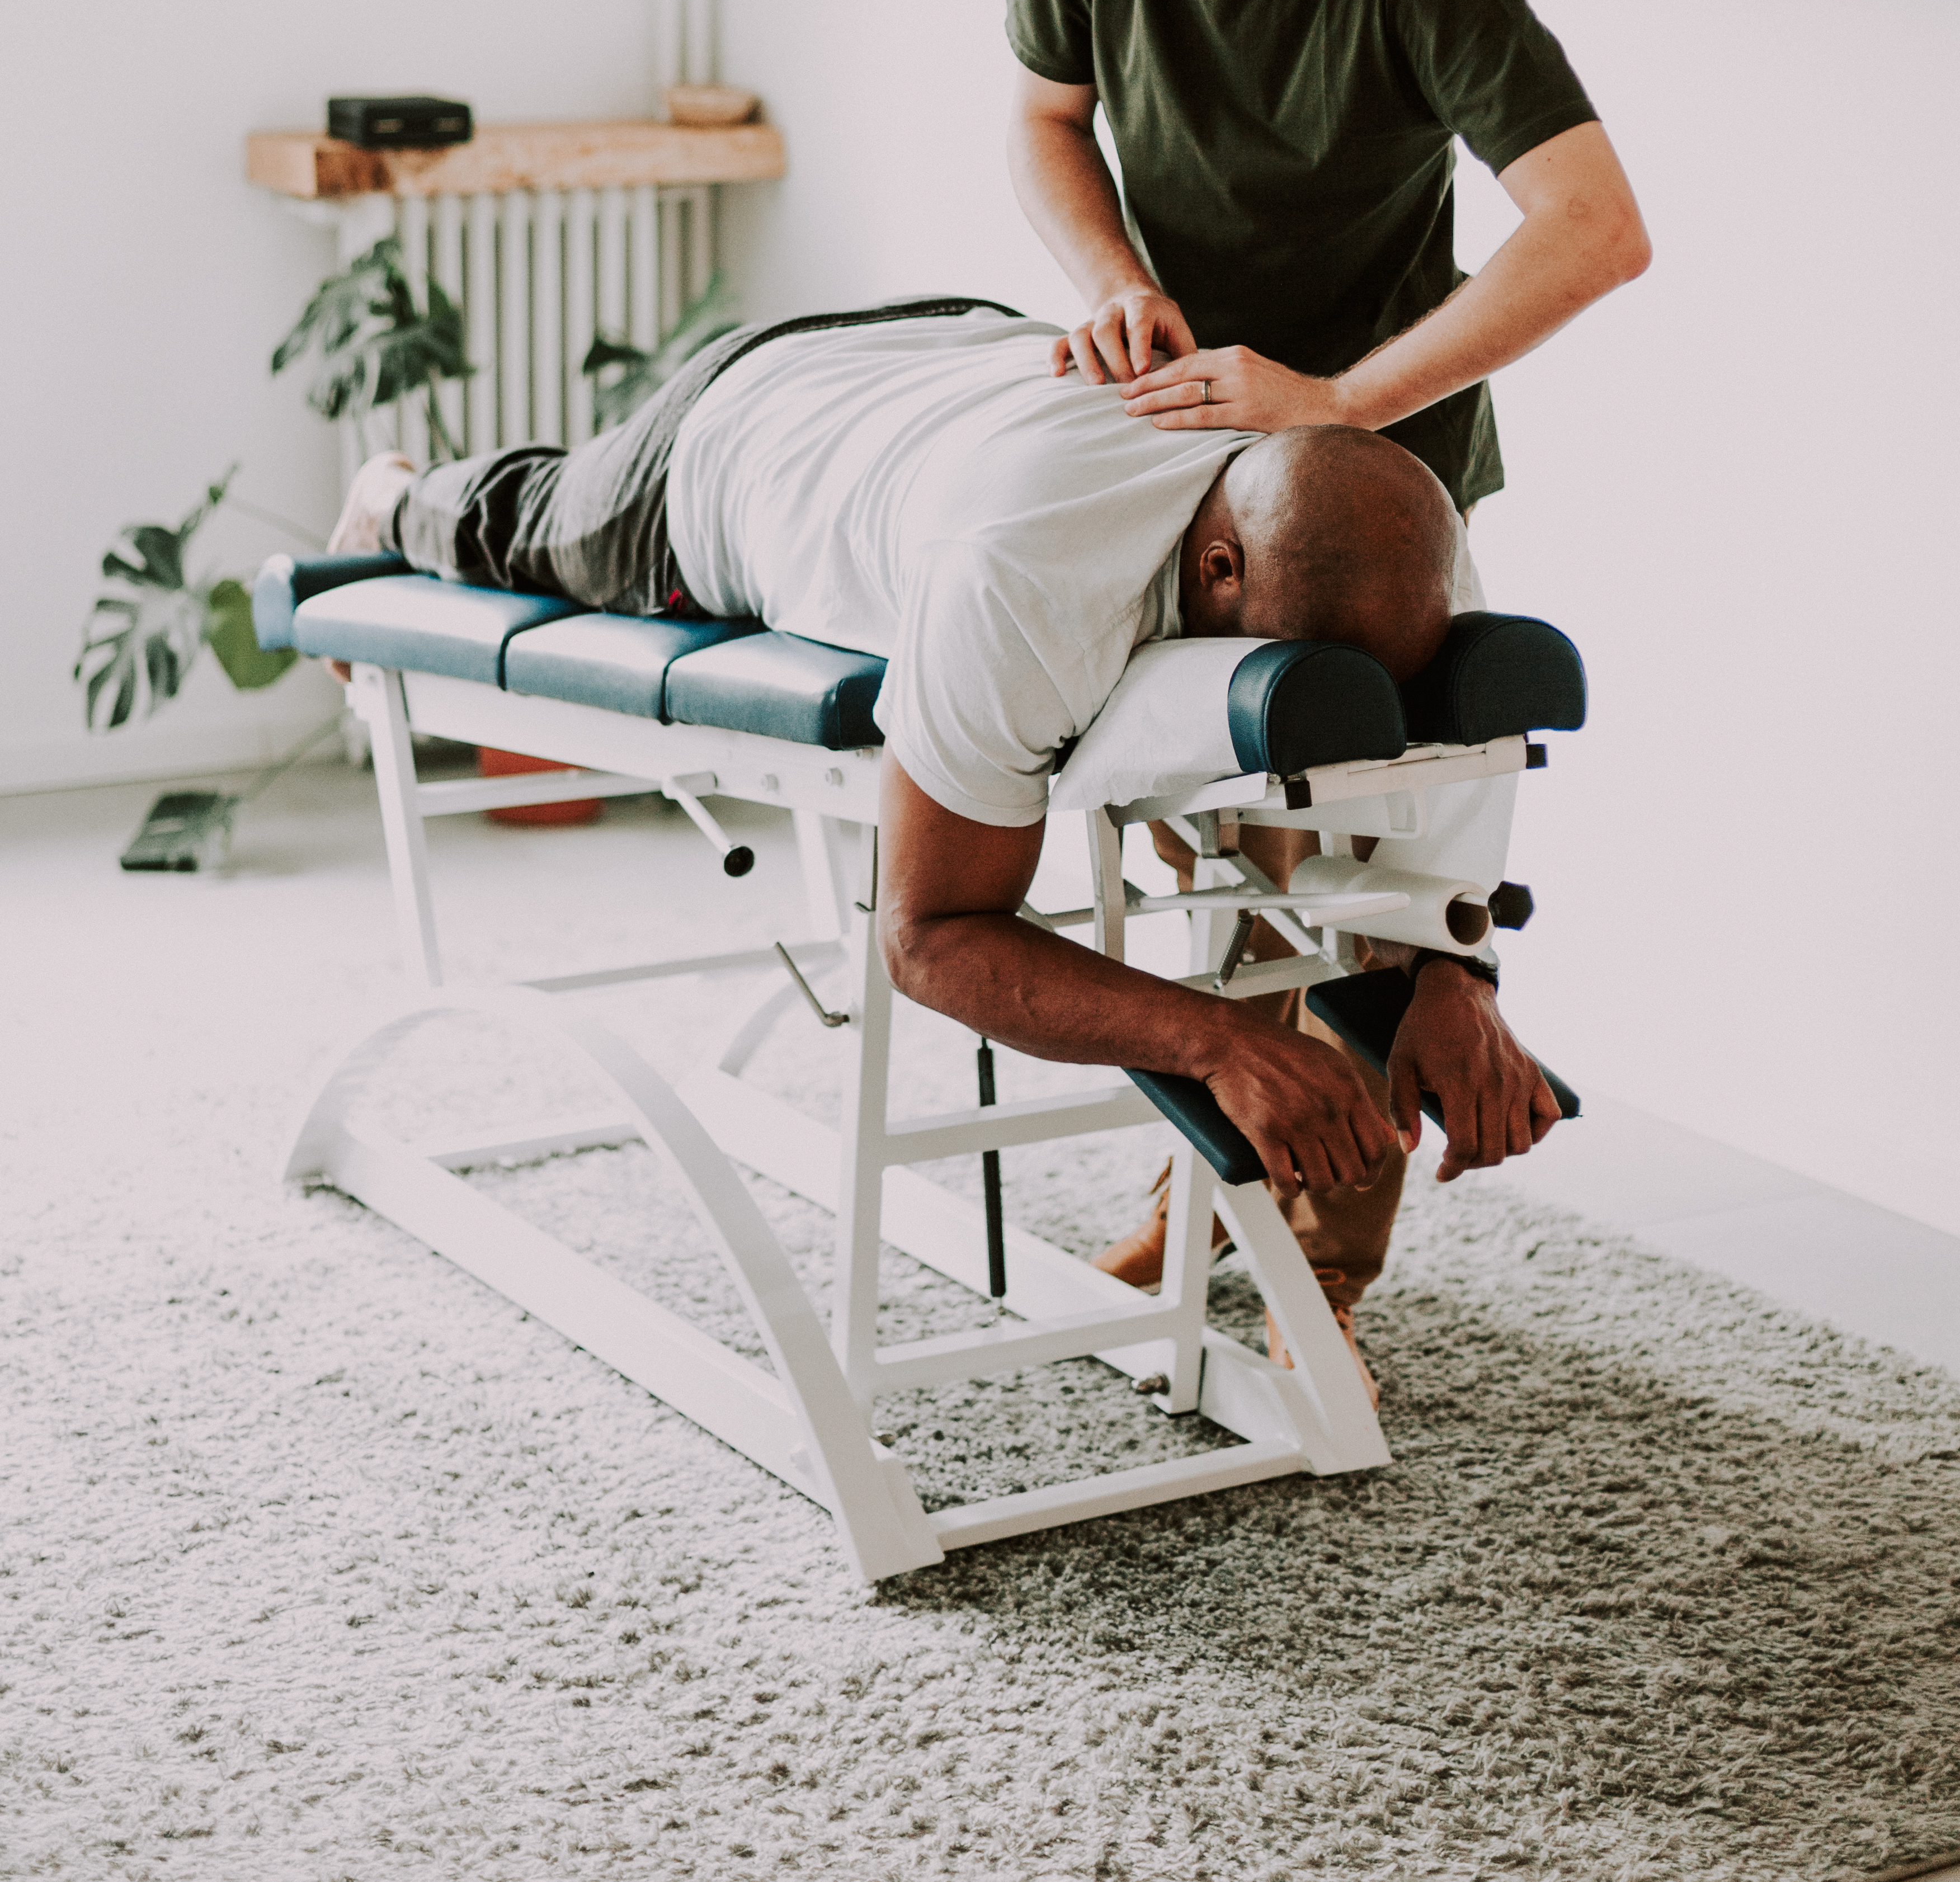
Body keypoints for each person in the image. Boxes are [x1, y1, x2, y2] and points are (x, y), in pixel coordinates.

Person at [331, 299, 1559, 1392]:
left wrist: (1456, 975)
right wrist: (1218, 1040)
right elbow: (927, 939)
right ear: (1218, 566)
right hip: (734, 437)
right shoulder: (1022, 579)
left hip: (956, 353)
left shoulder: (1395, 542)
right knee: (536, 522)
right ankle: (393, 488)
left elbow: (1420, 808)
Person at [997, 0, 1647, 1306]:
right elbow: (1045, 121)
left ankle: (1325, 1268)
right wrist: (1110, 274)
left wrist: (1339, 403)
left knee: (1348, 854)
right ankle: (1211, 1177)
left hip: (1370, 472)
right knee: (1202, 837)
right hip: (1180, 449)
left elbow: (1596, 229)